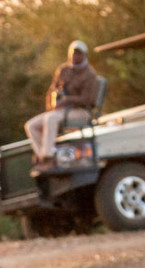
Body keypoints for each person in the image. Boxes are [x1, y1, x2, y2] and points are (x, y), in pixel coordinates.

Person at [25, 40, 99, 172]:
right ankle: (43, 157)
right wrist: (52, 104)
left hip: (81, 111)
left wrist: (67, 100)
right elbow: (52, 89)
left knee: (51, 119)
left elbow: (88, 99)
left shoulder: (90, 74)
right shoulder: (64, 70)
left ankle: (48, 158)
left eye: (79, 53)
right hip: (60, 110)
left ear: (84, 55)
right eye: (73, 53)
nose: (75, 56)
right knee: (31, 125)